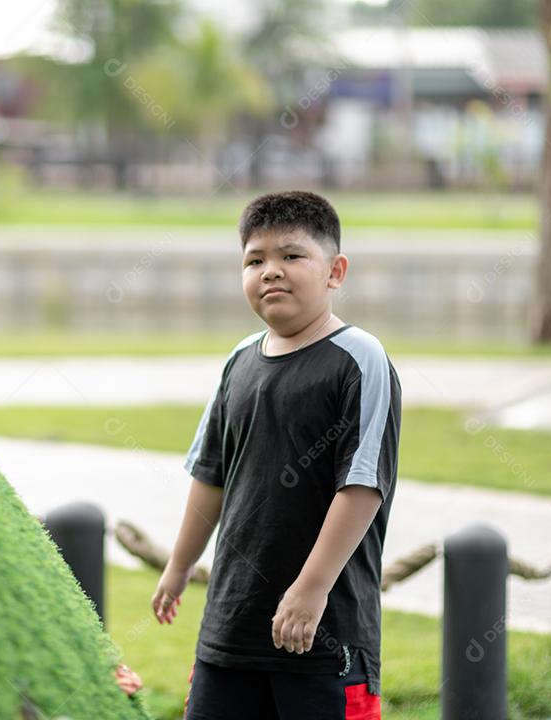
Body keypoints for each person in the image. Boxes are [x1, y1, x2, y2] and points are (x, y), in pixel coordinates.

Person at [152, 191, 401, 720]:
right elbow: (210, 475)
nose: (271, 271)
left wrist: (309, 592)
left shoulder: (359, 359)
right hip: (230, 630)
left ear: (335, 271)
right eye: (254, 260)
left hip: (323, 638)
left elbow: (361, 486)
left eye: (291, 256)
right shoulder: (240, 360)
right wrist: (178, 567)